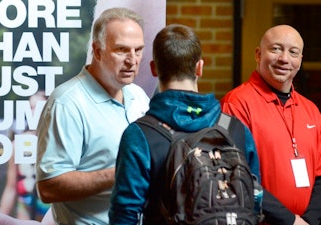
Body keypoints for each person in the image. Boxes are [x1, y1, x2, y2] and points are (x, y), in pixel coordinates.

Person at [109, 24, 260, 225]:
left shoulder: (141, 134)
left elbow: (125, 214)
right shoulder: (235, 128)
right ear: (200, 67)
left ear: (154, 68)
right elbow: (255, 197)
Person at [35, 7, 150, 225]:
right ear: (97, 51)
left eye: (138, 50)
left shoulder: (138, 96)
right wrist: (122, 172)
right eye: (122, 50)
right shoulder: (67, 104)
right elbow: (49, 187)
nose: (132, 60)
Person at [220, 24, 321, 225]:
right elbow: (234, 174)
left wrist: (308, 220)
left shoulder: (310, 110)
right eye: (276, 49)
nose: (284, 58)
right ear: (258, 54)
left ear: (300, 60)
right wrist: (290, 221)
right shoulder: (236, 103)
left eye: (293, 52)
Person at [0, 91, 50, 221]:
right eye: (31, 107)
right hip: (25, 210)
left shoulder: (64, 141)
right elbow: (11, 188)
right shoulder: (17, 145)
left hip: (53, 213)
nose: (33, 112)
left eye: (38, 107)